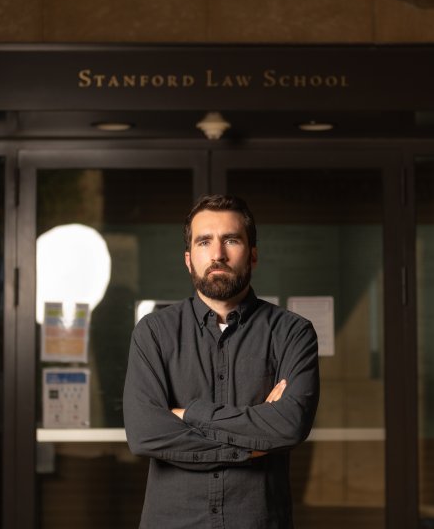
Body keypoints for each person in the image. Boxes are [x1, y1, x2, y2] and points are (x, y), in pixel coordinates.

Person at [123, 194, 319, 529]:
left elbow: (288, 427)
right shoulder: (153, 332)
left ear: (253, 254)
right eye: (204, 242)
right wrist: (253, 444)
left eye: (231, 240)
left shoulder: (293, 332)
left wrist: (188, 414)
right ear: (188, 259)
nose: (217, 254)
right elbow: (145, 433)